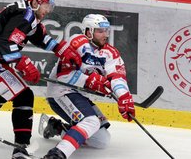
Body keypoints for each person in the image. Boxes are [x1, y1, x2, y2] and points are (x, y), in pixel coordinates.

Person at [0, 0, 82, 159]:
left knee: (1, 92)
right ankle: (21, 147)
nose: (48, 10)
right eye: (46, 5)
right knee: (24, 96)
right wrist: (23, 63)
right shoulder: (24, 16)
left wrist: (61, 50)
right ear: (35, 2)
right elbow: (6, 44)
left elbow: (39, 37)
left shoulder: (28, 14)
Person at [41, 14, 136, 159]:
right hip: (60, 91)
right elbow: (63, 75)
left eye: (106, 30)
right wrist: (91, 81)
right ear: (88, 31)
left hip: (79, 95)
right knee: (90, 121)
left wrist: (124, 97)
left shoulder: (110, 53)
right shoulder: (76, 42)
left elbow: (117, 77)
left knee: (101, 140)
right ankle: (57, 154)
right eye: (100, 31)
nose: (105, 34)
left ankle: (58, 127)